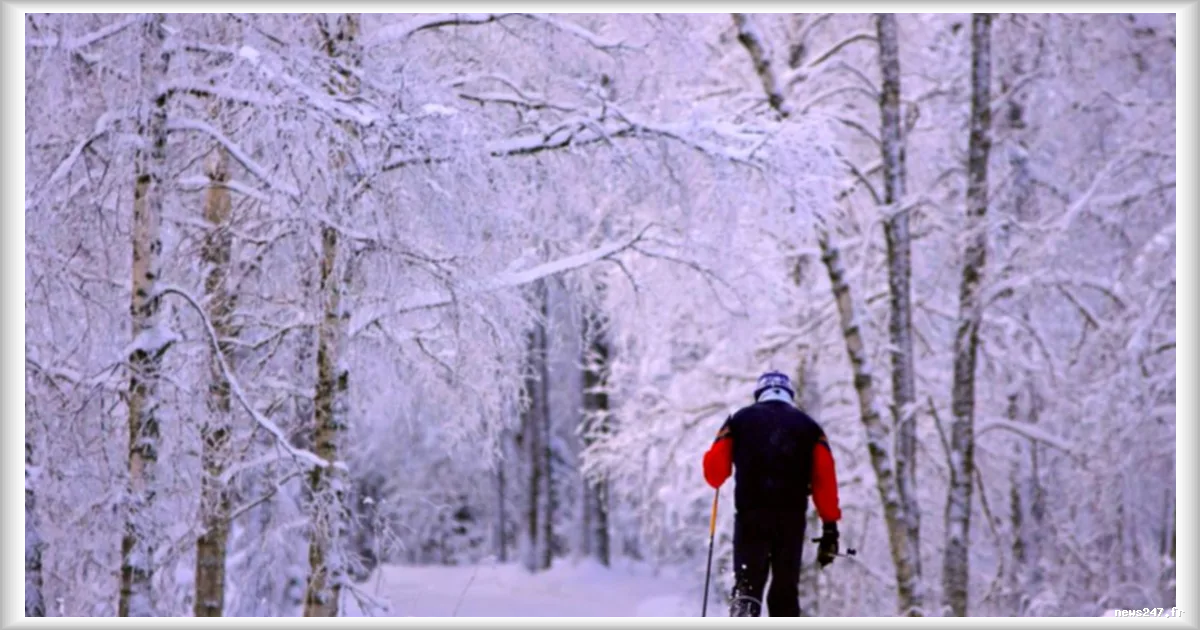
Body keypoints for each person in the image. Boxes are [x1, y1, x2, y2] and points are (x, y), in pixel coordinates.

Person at [702, 370, 842, 617]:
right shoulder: (810, 428)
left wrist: (721, 440)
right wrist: (830, 528)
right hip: (790, 521)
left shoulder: (739, 420)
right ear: (790, 394)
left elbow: (715, 473)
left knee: (747, 588)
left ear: (759, 394)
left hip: (750, 517)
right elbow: (825, 479)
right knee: (785, 591)